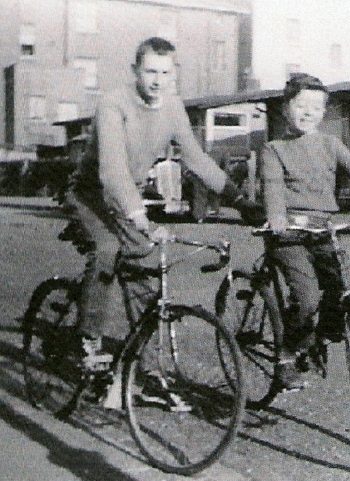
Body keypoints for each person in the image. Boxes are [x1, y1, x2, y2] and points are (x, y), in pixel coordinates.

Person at [65, 37, 261, 373]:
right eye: (150, 71)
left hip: (127, 197)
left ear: (174, 74)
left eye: (165, 72)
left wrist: (238, 200)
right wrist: (141, 219)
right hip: (91, 194)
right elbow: (111, 171)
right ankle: (87, 339)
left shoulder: (172, 106)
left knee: (143, 270)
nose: (157, 80)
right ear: (135, 71)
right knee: (108, 248)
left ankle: (145, 366)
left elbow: (196, 159)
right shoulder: (114, 104)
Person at [260, 73, 350, 390]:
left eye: (316, 106)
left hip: (322, 231)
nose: (308, 112)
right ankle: (287, 353)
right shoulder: (274, 149)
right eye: (301, 105)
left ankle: (316, 339)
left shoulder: (329, 144)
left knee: (340, 293)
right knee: (307, 297)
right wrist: (276, 217)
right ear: (286, 108)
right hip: (289, 235)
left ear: (324, 112)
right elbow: (272, 186)